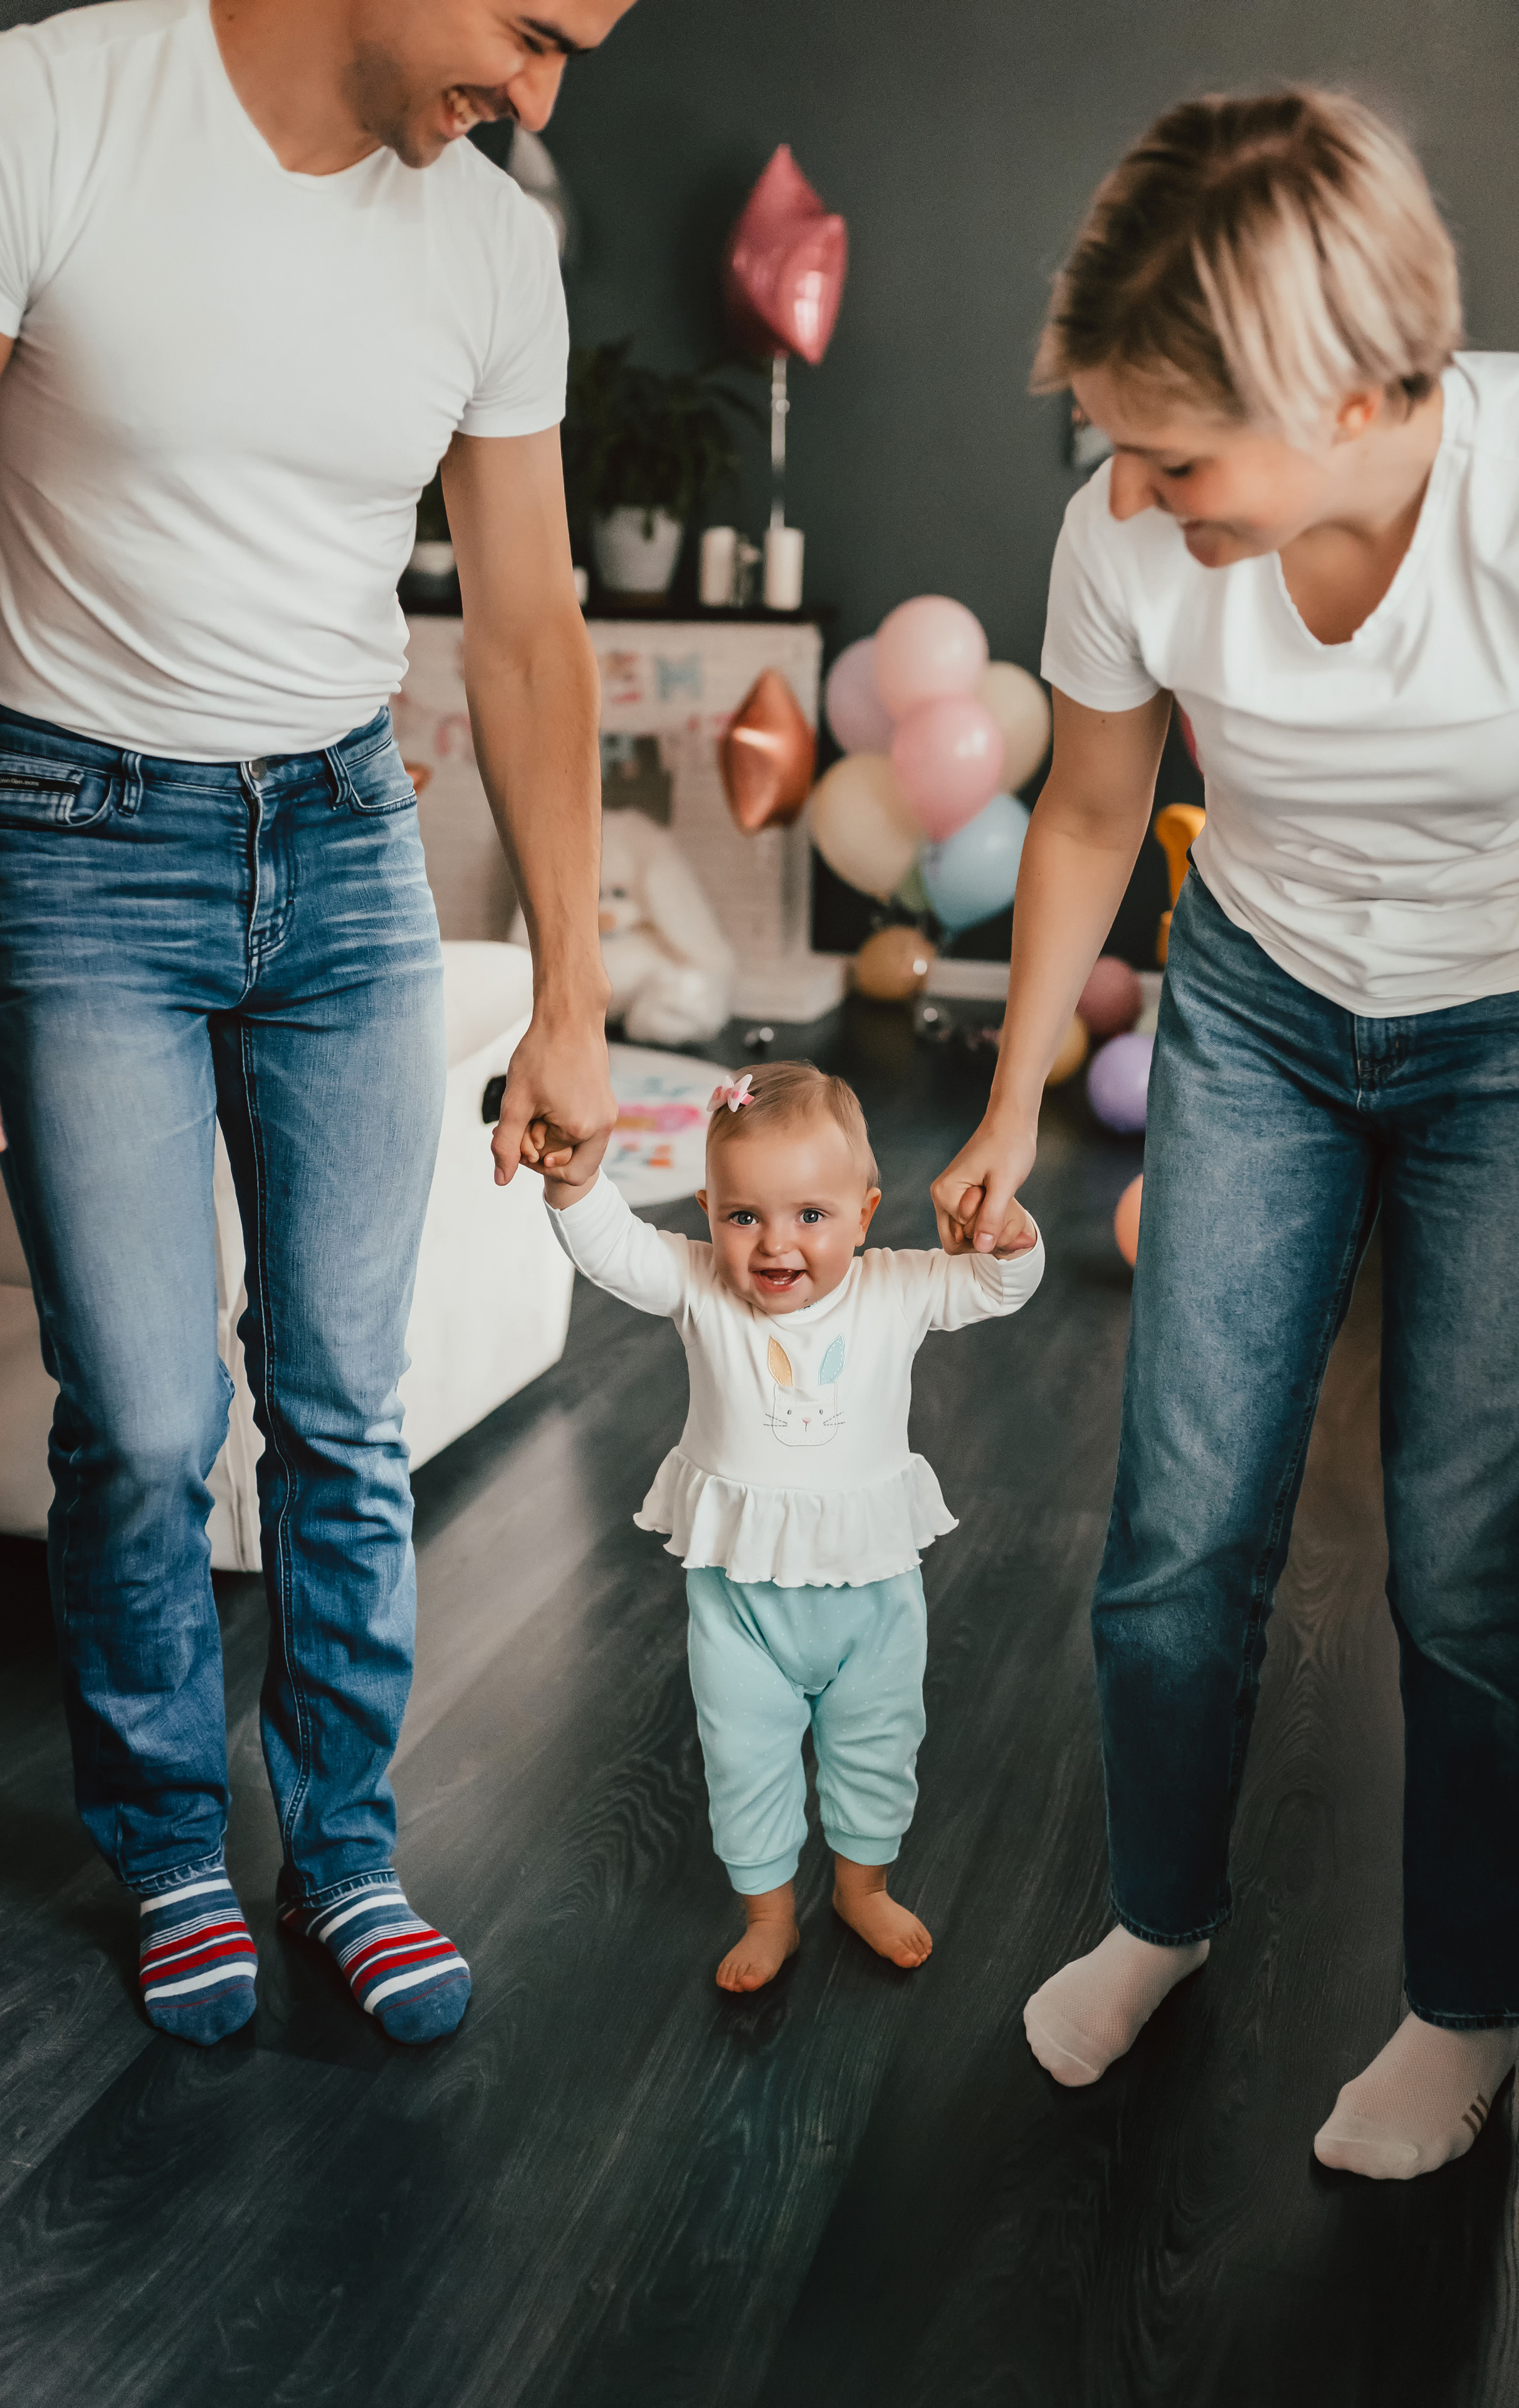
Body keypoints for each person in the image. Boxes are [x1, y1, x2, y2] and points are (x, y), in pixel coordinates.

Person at [0, 0, 635, 2046]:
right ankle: (162, 1840)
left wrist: (575, 995)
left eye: (584, 48)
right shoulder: (30, 114)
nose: (542, 92)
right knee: (142, 1425)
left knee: (344, 1401)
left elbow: (527, 626)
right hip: (73, 844)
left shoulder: (492, 244)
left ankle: (339, 1848)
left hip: (339, 853)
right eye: (532, 28)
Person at [933, 88, 1519, 2180]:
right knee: (1181, 1527)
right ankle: (1158, 1917)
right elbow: (1092, 809)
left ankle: (1464, 2005)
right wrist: (1010, 1101)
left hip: (1505, 1035)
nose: (1130, 485)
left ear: (1352, 394)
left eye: (1174, 450)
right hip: (1258, 1009)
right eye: (1116, 440)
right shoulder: (1129, 536)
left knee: (1466, 1562)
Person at [546, 1060, 1044, 1991]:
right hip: (739, 1604)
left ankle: (862, 1888)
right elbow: (613, 1250)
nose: (776, 1244)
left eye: (812, 1216)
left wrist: (1009, 1239)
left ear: (865, 1211)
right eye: (744, 1217)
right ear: (708, 1212)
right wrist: (576, 1185)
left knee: (878, 1742)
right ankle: (769, 1911)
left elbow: (995, 1289)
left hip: (873, 1599)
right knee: (744, 1754)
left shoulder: (896, 1287)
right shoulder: (699, 1286)